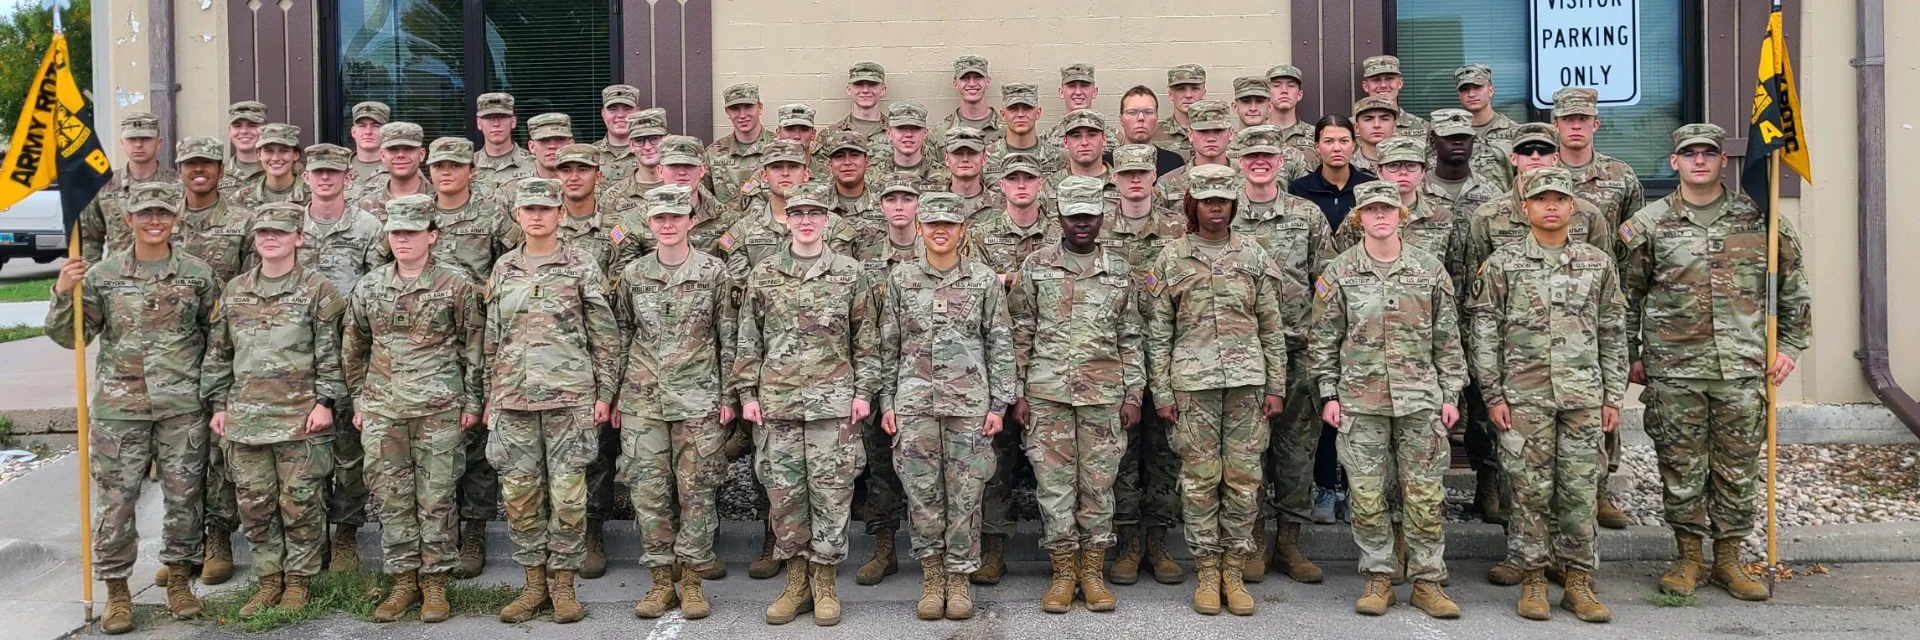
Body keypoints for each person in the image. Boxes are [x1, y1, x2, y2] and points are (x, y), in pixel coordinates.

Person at [1620, 123, 1811, 603]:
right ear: (1675, 163)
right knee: (1680, 467)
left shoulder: (1760, 219)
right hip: (1674, 371)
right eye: (1690, 154)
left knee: (1737, 468)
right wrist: (1631, 354)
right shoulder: (1649, 224)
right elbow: (1626, 296)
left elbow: (1792, 288)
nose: (1699, 161)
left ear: (1725, 161)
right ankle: (1688, 558)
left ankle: (1728, 559)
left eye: (1709, 153)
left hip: (1744, 370)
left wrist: (1789, 345)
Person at [48, 182, 219, 633]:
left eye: (163, 213)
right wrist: (64, 291)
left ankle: (180, 581)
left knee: (185, 499)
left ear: (176, 218)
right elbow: (72, 337)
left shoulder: (198, 275)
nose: (155, 221)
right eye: (145, 214)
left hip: (182, 406)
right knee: (116, 504)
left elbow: (215, 336)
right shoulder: (103, 275)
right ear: (129, 220)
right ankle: (117, 592)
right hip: (119, 410)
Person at [1464, 167, 1626, 623]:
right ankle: (1533, 577)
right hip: (1523, 397)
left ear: (1573, 208)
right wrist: (1493, 395)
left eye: (1559, 199)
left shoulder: (1597, 263)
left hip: (1583, 398)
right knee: (1528, 491)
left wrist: (1613, 396)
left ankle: (1577, 581)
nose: (1550, 206)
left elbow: (1613, 331)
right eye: (1541, 199)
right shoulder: (1503, 264)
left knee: (1579, 490)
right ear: (1525, 208)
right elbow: (1485, 333)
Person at [1308, 181, 1466, 619]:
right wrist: (1328, 393)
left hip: (1420, 400)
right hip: (1360, 401)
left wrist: (1450, 394)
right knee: (1367, 493)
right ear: (1360, 217)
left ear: (1401, 214)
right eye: (1372, 209)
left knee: (1424, 494)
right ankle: (1379, 576)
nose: (1381, 216)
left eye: (1388, 209)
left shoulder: (1429, 270)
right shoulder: (1338, 273)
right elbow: (1323, 339)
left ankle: (1428, 580)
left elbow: (1447, 339)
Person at [734, 185, 883, 626]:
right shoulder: (764, 273)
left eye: (814, 212)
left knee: (832, 495)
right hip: (777, 404)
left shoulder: (850, 272)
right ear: (785, 218)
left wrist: (863, 393)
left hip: (833, 404)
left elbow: (867, 339)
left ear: (826, 219)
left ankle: (825, 584)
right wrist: (747, 393)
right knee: (784, 496)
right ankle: (796, 582)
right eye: (797, 212)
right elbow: (748, 339)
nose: (804, 220)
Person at [1146, 164, 1290, 616]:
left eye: (1223, 200)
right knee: (1200, 480)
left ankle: (1235, 566)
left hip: (1247, 385)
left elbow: (1271, 326)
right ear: (1193, 204)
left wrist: (1276, 385)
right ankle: (1207, 570)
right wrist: (1163, 393)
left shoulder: (1254, 255)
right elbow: (1157, 333)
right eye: (1207, 199)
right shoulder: (1172, 256)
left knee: (1245, 479)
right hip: (1193, 388)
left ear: (1233, 205)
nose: (1215, 207)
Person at [202, 202, 349, 618]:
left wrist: (326, 401)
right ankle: (269, 580)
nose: (271, 238)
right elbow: (219, 353)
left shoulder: (317, 289)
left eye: (281, 232)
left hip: (301, 419)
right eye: (264, 232)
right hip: (246, 419)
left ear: (298, 238)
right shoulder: (235, 290)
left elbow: (333, 354)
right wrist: (218, 405)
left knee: (300, 504)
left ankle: (299, 582)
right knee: (255, 506)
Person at [343, 195, 485, 624]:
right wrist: (359, 400)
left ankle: (436, 585)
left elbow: (474, 346)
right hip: (384, 410)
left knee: (437, 497)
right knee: (392, 498)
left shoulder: (455, 285)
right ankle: (404, 580)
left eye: (412, 232)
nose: (403, 239)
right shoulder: (370, 286)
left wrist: (474, 401)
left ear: (432, 236)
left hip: (439, 409)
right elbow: (354, 348)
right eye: (396, 233)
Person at [486, 177, 619, 625]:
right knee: (520, 496)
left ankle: (564, 587)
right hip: (513, 401)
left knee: (567, 497)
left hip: (570, 400)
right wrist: (491, 396)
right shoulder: (504, 268)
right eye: (529, 209)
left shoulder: (581, 264)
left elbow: (605, 336)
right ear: (518, 216)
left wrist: (605, 393)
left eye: (546, 208)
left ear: (560, 214)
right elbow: (492, 339)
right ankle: (533, 586)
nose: (538, 216)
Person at [880, 192, 1018, 621]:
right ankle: (932, 577)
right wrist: (886, 400)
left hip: (970, 407)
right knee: (922, 496)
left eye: (950, 225)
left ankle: (959, 579)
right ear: (920, 228)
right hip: (915, 404)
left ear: (963, 230)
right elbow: (888, 344)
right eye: (933, 224)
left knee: (967, 494)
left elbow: (999, 342)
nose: (941, 232)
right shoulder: (901, 279)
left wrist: (999, 403)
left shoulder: (983, 280)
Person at [1008, 176, 1143, 614]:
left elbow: (1131, 335)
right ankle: (1064, 572)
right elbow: (1021, 330)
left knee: (1099, 488)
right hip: (1047, 395)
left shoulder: (1120, 270)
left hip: (1105, 395)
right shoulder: (1036, 265)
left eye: (1089, 215)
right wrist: (1019, 391)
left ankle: (1093, 572)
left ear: (1102, 217)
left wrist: (1133, 394)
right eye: (1074, 216)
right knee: (1054, 489)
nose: (1082, 223)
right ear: (1060, 218)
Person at [614, 184, 736, 621]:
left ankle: (693, 581)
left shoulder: (713, 272)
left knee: (697, 493)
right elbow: (622, 336)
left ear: (689, 221)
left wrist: (727, 396)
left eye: (675, 218)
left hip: (698, 400)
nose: (668, 225)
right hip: (642, 401)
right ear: (649, 224)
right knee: (648, 493)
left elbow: (728, 336)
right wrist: (614, 396)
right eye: (659, 219)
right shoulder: (633, 275)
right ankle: (661, 582)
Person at [1224, 127, 1331, 585]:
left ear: (1281, 159)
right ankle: (1253, 542)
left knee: (1295, 452)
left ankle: (1290, 543)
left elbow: (1328, 281)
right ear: (1240, 161)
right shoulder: (1225, 215)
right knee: (1247, 453)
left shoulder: (1306, 215)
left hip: (1297, 350)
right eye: (1252, 155)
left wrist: (1319, 335)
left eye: (1268, 154)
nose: (1260, 161)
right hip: (1242, 353)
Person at [417, 137, 512, 580]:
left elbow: (513, 262)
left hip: (475, 336)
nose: (447, 172)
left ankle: (473, 533)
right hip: (423, 343)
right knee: (432, 439)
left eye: (455, 165)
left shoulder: (492, 213)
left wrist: (481, 294)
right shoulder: (416, 213)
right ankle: (439, 534)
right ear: (429, 169)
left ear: (471, 169)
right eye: (439, 166)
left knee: (473, 436)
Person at [1102, 144, 1189, 586]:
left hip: (1170, 350)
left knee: (1164, 452)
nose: (1134, 180)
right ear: (1114, 178)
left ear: (1155, 175)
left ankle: (1158, 540)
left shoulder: (1178, 226)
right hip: (1114, 356)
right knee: (1121, 452)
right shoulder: (1098, 226)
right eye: (1126, 173)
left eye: (1142, 172)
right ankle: (1127, 542)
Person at [850, 173, 924, 587]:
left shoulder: (935, 249)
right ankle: (884, 548)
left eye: (907, 199)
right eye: (891, 198)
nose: (899, 206)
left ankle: (939, 551)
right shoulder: (866, 257)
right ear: (881, 207)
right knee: (880, 464)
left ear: (919, 205)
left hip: (922, 376)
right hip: (876, 371)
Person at [719, 143, 859, 271]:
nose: (785, 173)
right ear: (763, 176)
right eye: (776, 167)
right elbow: (740, 289)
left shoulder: (833, 226)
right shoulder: (743, 231)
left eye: (793, 166)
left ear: (806, 174)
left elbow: (842, 280)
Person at [79, 111, 176, 262]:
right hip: (119, 279)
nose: (138, 144)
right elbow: (89, 239)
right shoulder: (104, 186)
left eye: (145, 138)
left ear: (159, 142)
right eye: (131, 139)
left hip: (166, 277)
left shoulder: (178, 185)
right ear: (122, 142)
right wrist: (93, 278)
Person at [1554, 87, 1644, 240]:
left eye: (1583, 119)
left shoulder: (1621, 174)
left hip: (1605, 262)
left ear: (1595, 125)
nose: (1576, 126)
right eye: (1567, 119)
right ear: (1555, 125)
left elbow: (1634, 235)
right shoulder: (1541, 172)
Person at [1290, 116, 1378, 236]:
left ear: (1353, 145)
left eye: (1344, 141)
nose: (1337, 149)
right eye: (1329, 141)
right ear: (1317, 147)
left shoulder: (1371, 187)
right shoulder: (1299, 189)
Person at [1155, 100, 1236, 210]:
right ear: (1190, 134)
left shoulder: (1247, 180)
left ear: (1230, 133)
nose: (1211, 138)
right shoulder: (1167, 184)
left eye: (1218, 130)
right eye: (1203, 131)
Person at [1423, 109, 1502, 221]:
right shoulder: (1416, 192)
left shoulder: (1492, 193)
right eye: (1449, 137)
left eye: (1464, 137)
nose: (1458, 142)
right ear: (1432, 141)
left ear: (1473, 140)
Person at [708, 83, 777, 204]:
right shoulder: (713, 153)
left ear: (760, 108)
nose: (742, 115)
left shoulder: (779, 147)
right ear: (727, 112)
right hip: (727, 222)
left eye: (748, 107)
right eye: (735, 109)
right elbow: (703, 197)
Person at [494, 113, 577, 210]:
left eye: (559, 139)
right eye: (544, 140)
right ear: (532, 146)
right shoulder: (511, 192)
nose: (552, 146)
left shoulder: (585, 187)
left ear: (571, 145)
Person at [985, 83, 1066, 182]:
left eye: (1027, 108)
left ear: (1038, 113)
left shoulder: (1056, 159)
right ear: (1003, 115)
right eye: (1013, 109)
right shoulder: (986, 157)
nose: (1020, 114)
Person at [1453, 65, 1516, 185]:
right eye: (1465, 89)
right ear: (1459, 96)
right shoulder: (1451, 135)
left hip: (1504, 202)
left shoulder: (1514, 132)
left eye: (1477, 87)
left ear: (1491, 90)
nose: (1471, 94)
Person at [350, 122, 429, 218]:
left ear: (421, 154)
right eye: (393, 149)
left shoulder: (440, 201)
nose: (400, 155)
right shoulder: (364, 207)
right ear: (383, 155)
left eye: (409, 148)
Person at [604, 108, 674, 212]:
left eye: (654, 138)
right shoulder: (613, 196)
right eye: (639, 140)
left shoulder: (686, 189)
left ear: (667, 141)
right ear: (631, 145)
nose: (647, 146)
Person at [819, 61, 894, 158]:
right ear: (849, 90)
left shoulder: (898, 133)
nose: (865, 90)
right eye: (859, 84)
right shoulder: (829, 135)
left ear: (883, 90)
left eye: (872, 84)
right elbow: (821, 171)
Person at [1041, 63, 1121, 155]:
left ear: (1094, 92)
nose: (1078, 92)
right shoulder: (1046, 140)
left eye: (1084, 86)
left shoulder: (1115, 138)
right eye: (1071, 86)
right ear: (1061, 92)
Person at [1114, 87, 1190, 177]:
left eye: (1148, 112)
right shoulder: (1107, 163)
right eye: (1132, 112)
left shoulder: (1173, 163)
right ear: (1121, 119)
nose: (1141, 118)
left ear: (1157, 118)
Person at [869, 101, 946, 186]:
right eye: (901, 128)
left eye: (916, 128)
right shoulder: (871, 177)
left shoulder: (945, 177)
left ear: (925, 133)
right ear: (889, 133)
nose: (909, 134)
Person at [234, 123, 310, 207]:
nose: (275, 158)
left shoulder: (312, 196)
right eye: (269, 151)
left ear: (295, 155)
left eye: (284, 151)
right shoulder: (242, 198)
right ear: (259, 155)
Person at [935, 56, 1004, 145]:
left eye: (978, 77)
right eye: (965, 78)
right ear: (955, 84)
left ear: (988, 82)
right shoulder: (940, 133)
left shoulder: (1008, 130)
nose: (972, 84)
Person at [474, 92, 538, 189]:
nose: (496, 124)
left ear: (513, 122)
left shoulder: (534, 163)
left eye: (502, 117)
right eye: (489, 118)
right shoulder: (468, 165)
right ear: (479, 123)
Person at [1359, 56, 1429, 138]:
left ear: (1399, 83)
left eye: (1389, 79)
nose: (1383, 85)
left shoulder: (1423, 127)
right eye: (1376, 79)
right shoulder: (1351, 127)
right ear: (1366, 86)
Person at [940, 127, 1000, 221]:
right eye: (958, 153)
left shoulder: (1002, 206)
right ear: (947, 159)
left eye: (972, 153)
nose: (965, 159)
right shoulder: (932, 205)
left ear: (984, 158)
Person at [1051, 110, 1115, 191]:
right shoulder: (1050, 186)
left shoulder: (1122, 183)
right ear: (1065, 142)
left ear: (1104, 140)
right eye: (1076, 136)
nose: (1084, 142)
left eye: (1092, 135)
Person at [1155, 64, 1208, 160]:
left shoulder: (1218, 133)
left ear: (1204, 93)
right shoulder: (1154, 135)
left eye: (1195, 89)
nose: (1188, 95)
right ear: (1170, 95)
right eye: (1181, 89)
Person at [1265, 65, 1317, 163]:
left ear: (1299, 95)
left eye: (1291, 85)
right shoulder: (1255, 133)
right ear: (1267, 93)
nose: (1284, 91)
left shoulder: (1315, 135)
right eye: (1276, 86)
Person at [595, 85, 642, 180]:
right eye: (613, 109)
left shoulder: (649, 154)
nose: (620, 115)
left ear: (638, 112)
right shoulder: (591, 154)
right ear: (603, 114)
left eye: (627, 108)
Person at [223, 101, 268, 189]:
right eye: (237, 126)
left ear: (264, 129)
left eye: (252, 125)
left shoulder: (286, 171)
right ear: (229, 131)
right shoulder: (219, 174)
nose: (244, 131)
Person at [1350, 96, 1400, 175]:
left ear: (1394, 126)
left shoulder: (1409, 167)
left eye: (1384, 119)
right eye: (1368, 119)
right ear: (1357, 128)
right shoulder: (1347, 168)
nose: (1377, 125)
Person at [774, 103, 828, 174]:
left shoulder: (828, 173)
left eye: (804, 130)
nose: (797, 136)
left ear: (813, 134)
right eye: (790, 129)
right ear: (778, 133)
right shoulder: (767, 174)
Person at [347, 102, 391, 185]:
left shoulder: (400, 169)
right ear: (353, 132)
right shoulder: (338, 170)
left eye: (376, 126)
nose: (368, 132)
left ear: (386, 132)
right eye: (362, 126)